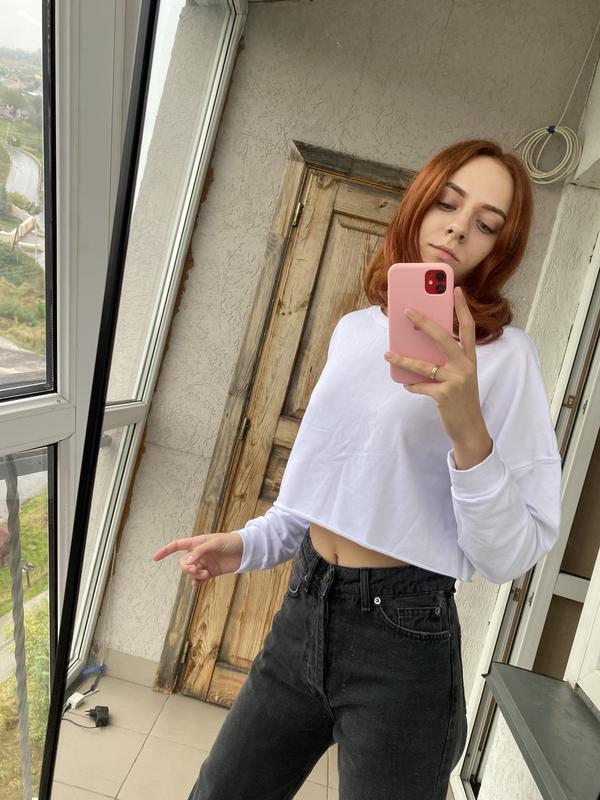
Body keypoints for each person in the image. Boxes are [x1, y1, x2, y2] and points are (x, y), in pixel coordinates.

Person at [152, 139, 562, 800]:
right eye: (448, 203)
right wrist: (247, 544)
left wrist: (465, 420)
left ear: (499, 248)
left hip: (404, 637)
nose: (460, 228)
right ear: (419, 205)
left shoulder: (506, 358)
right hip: (304, 608)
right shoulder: (355, 330)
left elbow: (509, 555)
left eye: (487, 223)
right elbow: (321, 482)